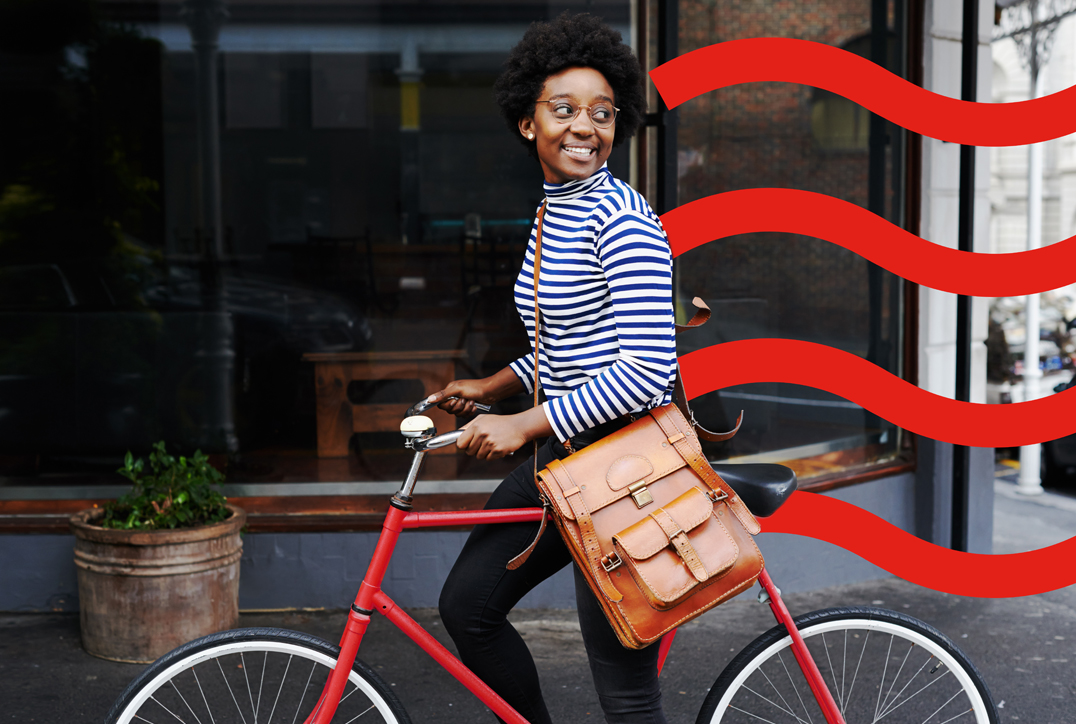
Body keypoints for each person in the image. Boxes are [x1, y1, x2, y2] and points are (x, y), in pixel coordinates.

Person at [428, 13, 676, 724]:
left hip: (622, 473)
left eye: (602, 114)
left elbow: (645, 371)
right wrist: (496, 385)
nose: (584, 128)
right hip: (562, 456)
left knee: (626, 696)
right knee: (468, 606)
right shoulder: (555, 214)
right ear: (526, 124)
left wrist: (522, 424)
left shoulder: (620, 218)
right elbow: (572, 345)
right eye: (563, 109)